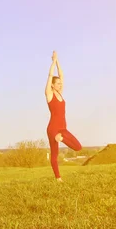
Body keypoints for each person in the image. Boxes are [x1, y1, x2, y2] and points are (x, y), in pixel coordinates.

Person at [45, 51, 82, 181]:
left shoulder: (60, 94)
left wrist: (58, 60)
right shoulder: (50, 95)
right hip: (53, 129)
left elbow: (62, 75)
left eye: (61, 83)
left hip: (62, 129)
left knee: (78, 147)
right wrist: (53, 62)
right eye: (58, 83)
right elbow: (50, 75)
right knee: (54, 154)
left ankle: (60, 138)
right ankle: (58, 178)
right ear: (52, 85)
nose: (61, 85)